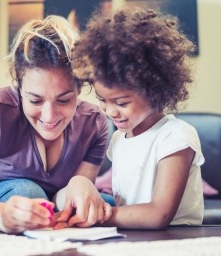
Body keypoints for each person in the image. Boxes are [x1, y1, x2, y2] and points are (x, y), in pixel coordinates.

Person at [0, 15, 112, 233]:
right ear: (19, 86)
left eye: (64, 100)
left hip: (45, 207)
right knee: (27, 193)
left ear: (79, 88)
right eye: (35, 100)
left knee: (106, 205)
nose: (49, 116)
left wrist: (80, 186)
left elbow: (64, 203)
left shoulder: (94, 123)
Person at [73, 7, 205, 229]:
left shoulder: (175, 137)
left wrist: (101, 215)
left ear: (155, 90)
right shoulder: (118, 139)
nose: (110, 111)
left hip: (177, 240)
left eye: (122, 103)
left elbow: (158, 214)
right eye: (102, 99)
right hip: (132, 236)